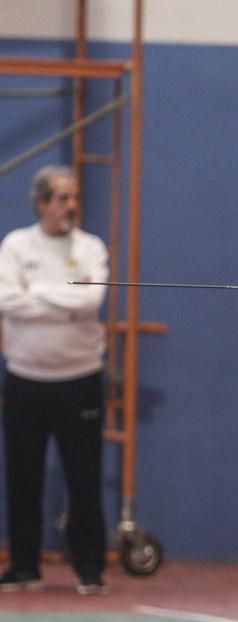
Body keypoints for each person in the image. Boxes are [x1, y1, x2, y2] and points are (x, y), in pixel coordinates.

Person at [0, 165, 109, 595]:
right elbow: (4, 300)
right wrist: (63, 299)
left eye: (74, 197)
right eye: (62, 198)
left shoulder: (90, 247)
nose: (71, 205)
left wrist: (36, 292)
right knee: (22, 477)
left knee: (84, 477)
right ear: (41, 203)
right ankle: (24, 566)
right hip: (25, 379)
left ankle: (90, 568)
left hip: (79, 379)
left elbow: (91, 300)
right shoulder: (16, 245)